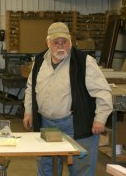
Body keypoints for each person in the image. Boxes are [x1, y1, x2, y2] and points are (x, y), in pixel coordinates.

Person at [23, 22, 113, 176]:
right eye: (56, 42)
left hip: (75, 124)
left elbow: (103, 91)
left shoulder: (84, 61)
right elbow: (31, 89)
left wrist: (100, 119)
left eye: (64, 42)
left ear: (70, 41)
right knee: (47, 167)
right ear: (48, 42)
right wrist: (28, 112)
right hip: (46, 124)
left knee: (80, 169)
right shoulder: (39, 61)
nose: (60, 46)